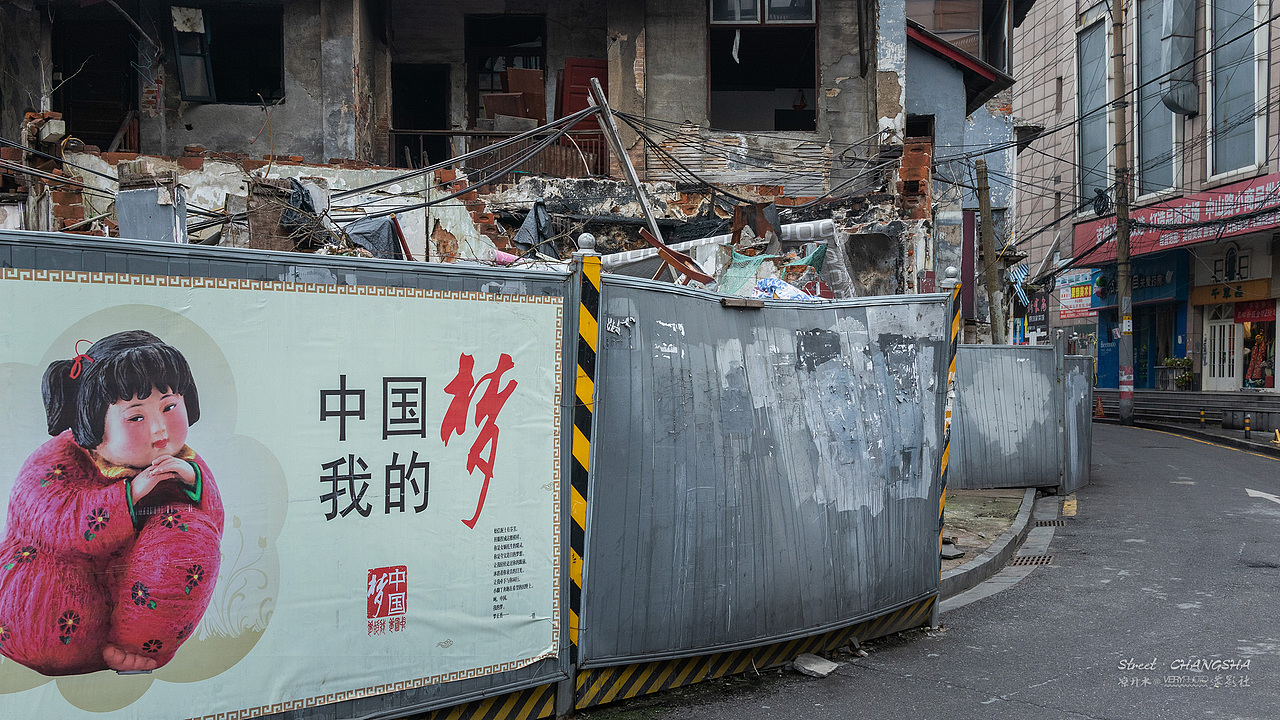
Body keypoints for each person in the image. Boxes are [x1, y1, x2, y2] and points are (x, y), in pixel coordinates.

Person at [0, 331, 223, 676]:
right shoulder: (55, 460)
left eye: (169, 407)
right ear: (94, 422)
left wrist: (192, 480)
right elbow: (56, 524)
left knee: (189, 530)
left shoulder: (181, 463)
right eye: (136, 417)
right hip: (64, 601)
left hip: (133, 608)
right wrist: (131, 494)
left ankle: (139, 645)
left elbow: (213, 525)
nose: (159, 430)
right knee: (45, 608)